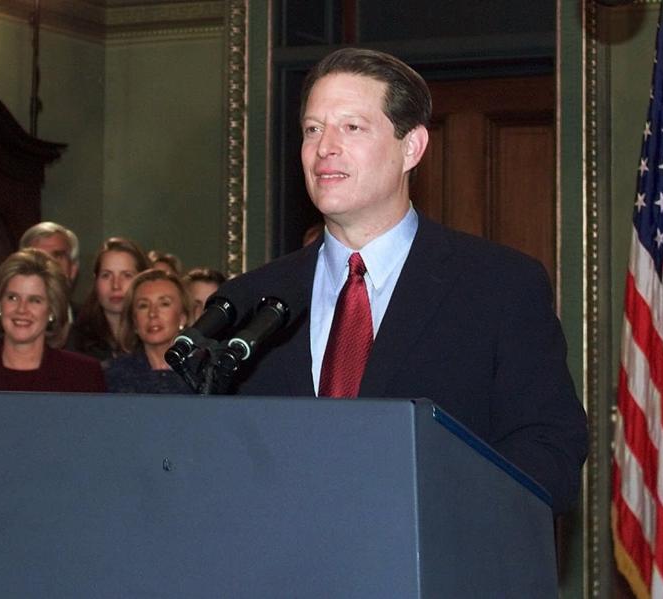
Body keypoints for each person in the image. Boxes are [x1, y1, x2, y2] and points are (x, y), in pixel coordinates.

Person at [217, 48, 587, 516]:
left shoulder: (500, 286)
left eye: (351, 127)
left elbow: (548, 451)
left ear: (411, 146)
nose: (324, 147)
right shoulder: (251, 300)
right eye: (313, 129)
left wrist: (429, 508)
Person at [0, 248, 106, 450]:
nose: (22, 310)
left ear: (51, 310)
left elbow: (96, 453)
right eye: (13, 298)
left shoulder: (83, 376)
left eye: (35, 300)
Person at [105, 269, 195, 394]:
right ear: (134, 321)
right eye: (143, 306)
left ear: (183, 317)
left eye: (164, 304)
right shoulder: (115, 374)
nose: (152, 314)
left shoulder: (203, 373)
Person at [74, 237, 150, 362]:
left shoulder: (154, 334)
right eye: (106, 275)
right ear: (96, 281)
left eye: (126, 275)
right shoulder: (76, 340)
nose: (116, 285)